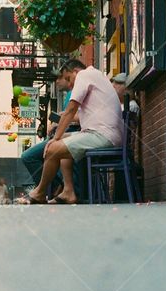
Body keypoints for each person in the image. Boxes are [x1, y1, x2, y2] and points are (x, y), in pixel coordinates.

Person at [19, 60, 123, 205]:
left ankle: (40, 192)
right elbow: (77, 115)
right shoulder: (97, 76)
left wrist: (55, 138)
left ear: (75, 71)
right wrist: (60, 137)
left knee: (53, 148)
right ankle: (68, 191)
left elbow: (71, 110)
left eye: (68, 78)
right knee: (62, 145)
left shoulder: (84, 75)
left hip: (103, 135)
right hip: (104, 134)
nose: (69, 84)